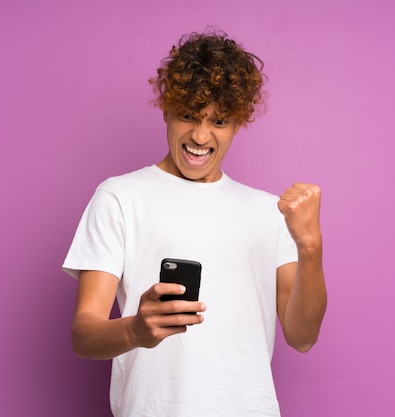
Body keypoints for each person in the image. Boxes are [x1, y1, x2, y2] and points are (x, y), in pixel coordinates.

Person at [62, 29, 327, 417]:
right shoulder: (120, 198)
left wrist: (310, 247)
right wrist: (134, 329)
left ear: (238, 123)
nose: (200, 136)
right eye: (188, 115)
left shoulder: (269, 213)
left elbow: (302, 337)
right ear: (166, 109)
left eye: (219, 121)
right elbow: (84, 335)